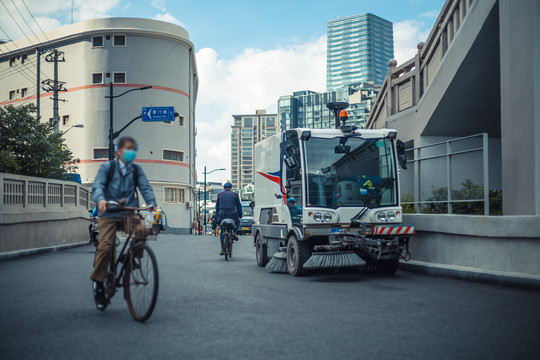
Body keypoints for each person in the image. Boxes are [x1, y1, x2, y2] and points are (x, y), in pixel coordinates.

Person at [90, 136, 157, 309]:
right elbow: (97, 186)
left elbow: (145, 187)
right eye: (128, 149)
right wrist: (100, 200)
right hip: (109, 214)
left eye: (133, 149)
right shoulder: (107, 167)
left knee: (143, 230)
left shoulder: (136, 170)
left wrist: (151, 203)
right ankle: (98, 283)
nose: (131, 152)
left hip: (129, 213)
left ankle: (130, 257)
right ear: (118, 151)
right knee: (105, 246)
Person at [215, 182, 242, 256]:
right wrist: (240, 215)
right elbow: (239, 206)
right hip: (232, 214)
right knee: (238, 222)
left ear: (224, 188)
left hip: (222, 214)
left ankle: (223, 249)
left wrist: (218, 217)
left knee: (222, 231)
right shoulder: (235, 194)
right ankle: (234, 233)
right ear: (231, 188)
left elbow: (217, 207)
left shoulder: (220, 194)